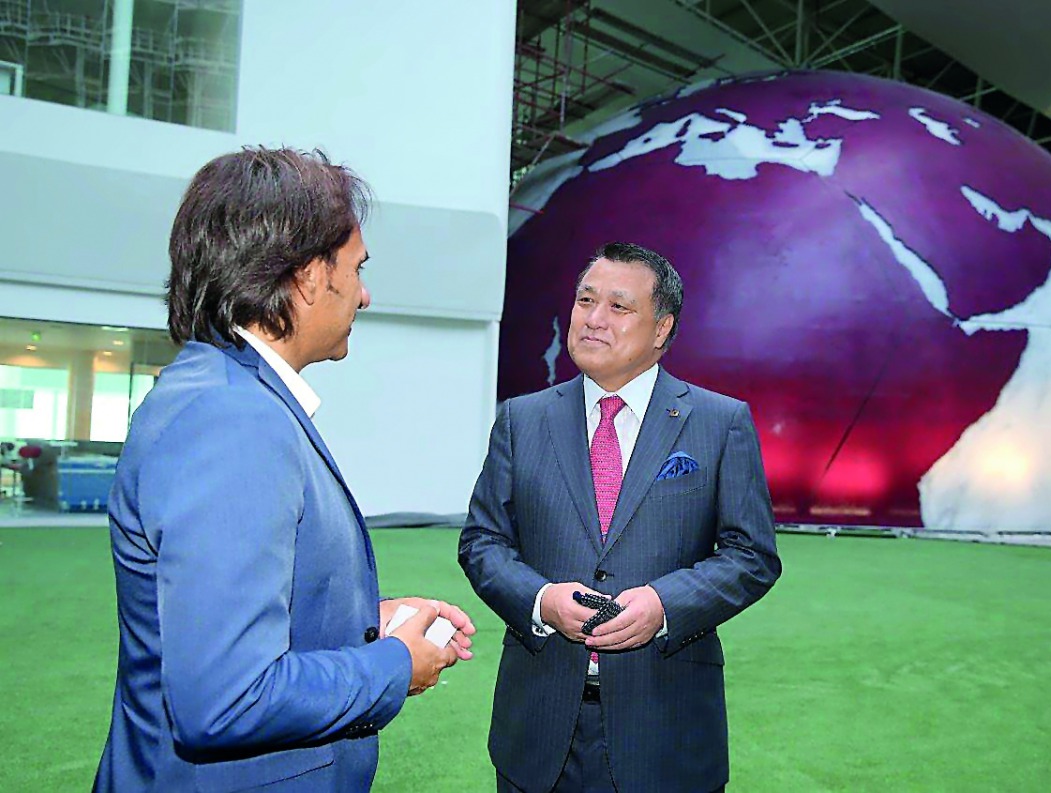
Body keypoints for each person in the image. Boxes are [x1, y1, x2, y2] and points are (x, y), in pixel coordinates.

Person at [94, 147, 475, 792]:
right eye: (355, 268)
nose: (365, 292)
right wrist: (392, 664)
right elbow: (227, 699)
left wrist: (357, 620)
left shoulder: (224, 394)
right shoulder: (229, 419)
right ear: (306, 279)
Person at [460, 242, 782, 792]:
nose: (593, 319)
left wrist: (665, 605)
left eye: (618, 306)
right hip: (538, 727)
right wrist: (540, 601)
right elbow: (483, 542)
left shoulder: (718, 422)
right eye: (585, 300)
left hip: (667, 723)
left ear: (661, 329)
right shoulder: (522, 419)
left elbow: (751, 556)